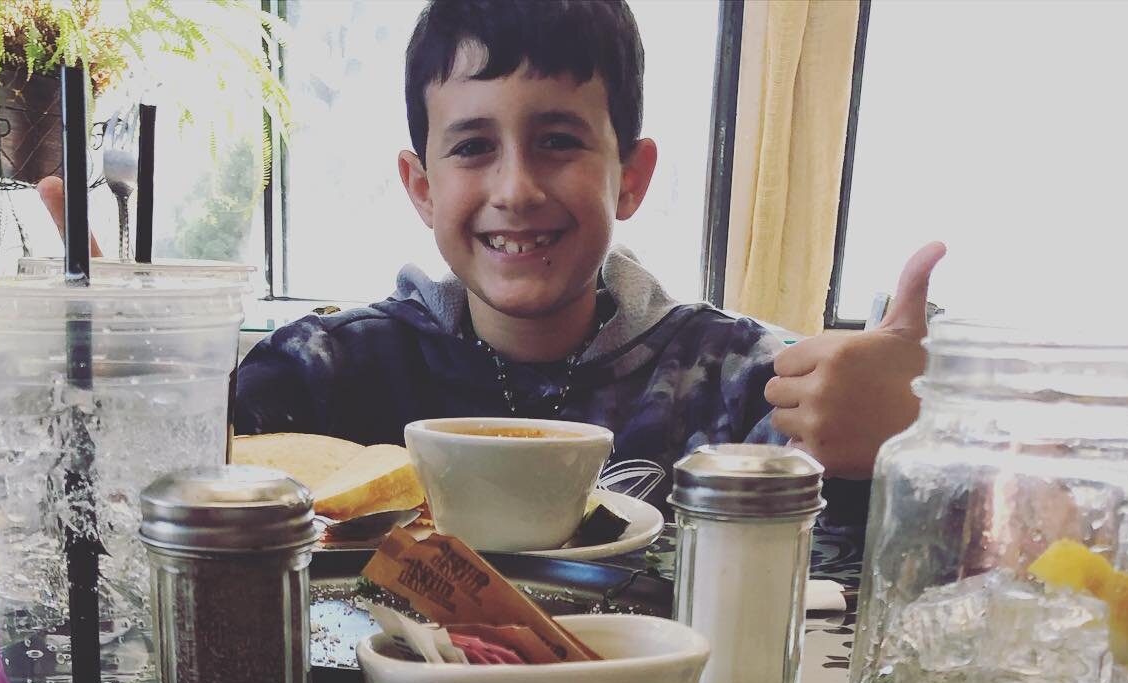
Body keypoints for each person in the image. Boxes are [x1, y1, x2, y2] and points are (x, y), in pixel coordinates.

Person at [233, 0, 942, 517]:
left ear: (630, 177)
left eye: (559, 140)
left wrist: (919, 439)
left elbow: (961, 579)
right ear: (422, 188)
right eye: (474, 146)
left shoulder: (750, 386)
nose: (515, 189)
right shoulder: (318, 376)